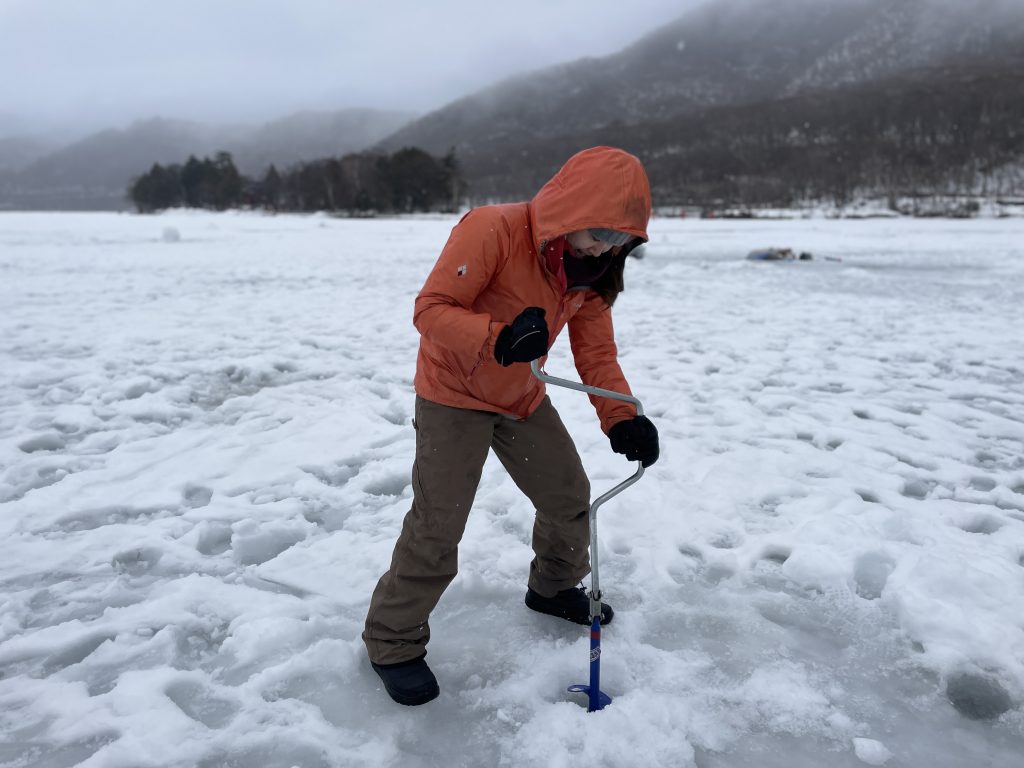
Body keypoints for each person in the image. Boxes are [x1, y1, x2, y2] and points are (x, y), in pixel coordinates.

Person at [363, 146, 660, 706]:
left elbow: (597, 356)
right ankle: (392, 640)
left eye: (620, 239)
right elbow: (430, 309)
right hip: (453, 393)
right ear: (571, 208)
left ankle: (551, 588)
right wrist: (496, 335)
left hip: (520, 396)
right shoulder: (494, 228)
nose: (605, 245)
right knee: (439, 522)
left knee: (569, 495)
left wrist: (623, 418)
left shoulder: (591, 271)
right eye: (599, 230)